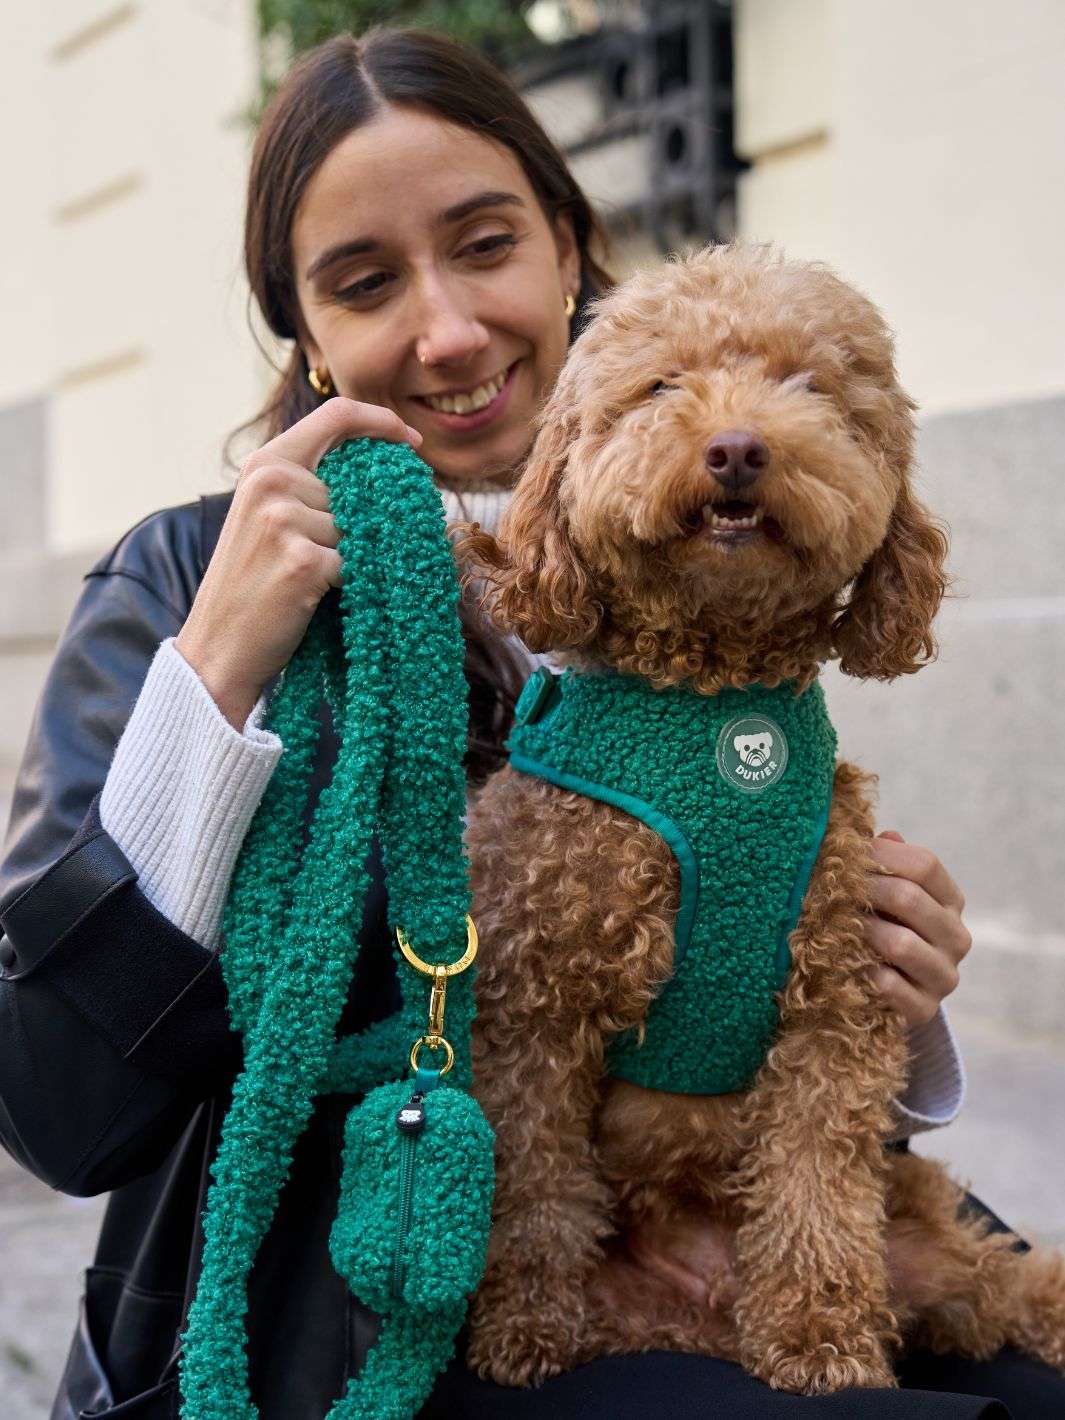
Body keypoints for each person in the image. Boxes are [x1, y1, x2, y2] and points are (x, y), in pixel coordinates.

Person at [0, 27, 1056, 1420]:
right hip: (368, 1283)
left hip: (737, 1206)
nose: (443, 330)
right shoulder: (191, 575)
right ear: (306, 337)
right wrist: (211, 678)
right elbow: (61, 1116)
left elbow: (757, 955)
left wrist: (890, 1001)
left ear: (569, 245)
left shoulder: (716, 531)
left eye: (484, 243)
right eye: (365, 283)